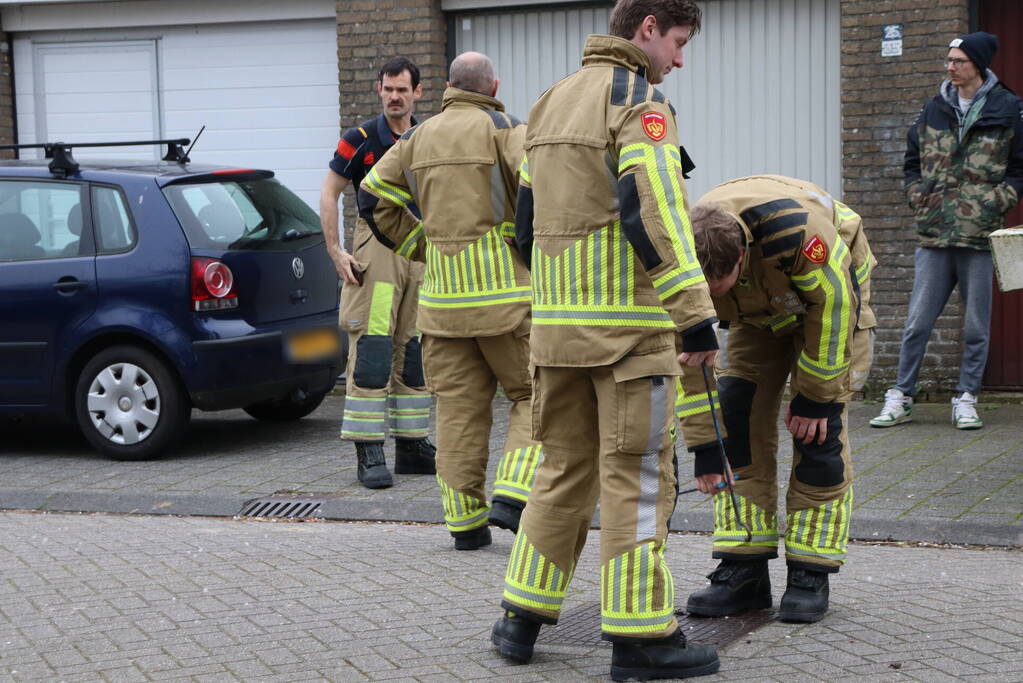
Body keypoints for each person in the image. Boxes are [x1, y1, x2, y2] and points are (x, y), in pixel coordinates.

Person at [488, 2, 722, 680]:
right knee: (638, 479)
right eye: (677, 42)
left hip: (554, 337)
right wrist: (694, 315)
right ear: (647, 27)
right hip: (629, 340)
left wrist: (560, 300)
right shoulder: (639, 102)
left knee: (560, 472)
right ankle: (641, 638)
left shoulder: (549, 101)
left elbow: (523, 226)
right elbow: (655, 210)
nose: (679, 59)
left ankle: (520, 618)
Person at [357, 52, 542, 550]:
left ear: (447, 87)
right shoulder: (507, 129)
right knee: (536, 396)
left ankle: (465, 527)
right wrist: (525, 247)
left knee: (458, 413)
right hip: (507, 304)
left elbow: (371, 196)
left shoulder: (416, 138)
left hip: (441, 308)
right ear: (493, 87)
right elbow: (540, 188)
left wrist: (423, 245)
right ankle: (513, 495)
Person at [677, 175, 875, 624]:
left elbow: (835, 307)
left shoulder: (798, 234)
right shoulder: (679, 260)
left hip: (831, 303)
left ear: (740, 258)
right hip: (758, 314)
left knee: (818, 435)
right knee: (735, 419)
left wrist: (817, 398)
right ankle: (743, 568)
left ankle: (810, 571)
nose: (709, 300)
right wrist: (706, 444)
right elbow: (688, 362)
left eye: (718, 289)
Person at [871, 31, 1023, 431]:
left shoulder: (1008, 108)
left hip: (978, 236)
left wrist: (997, 200)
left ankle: (966, 398)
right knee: (917, 325)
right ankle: (901, 396)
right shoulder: (933, 108)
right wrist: (917, 195)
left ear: (978, 64)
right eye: (949, 60)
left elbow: (1019, 168)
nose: (950, 67)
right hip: (934, 235)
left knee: (975, 328)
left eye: (958, 60)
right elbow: (911, 161)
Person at [319, 57, 436, 489]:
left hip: (419, 248)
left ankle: (412, 445)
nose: (394, 97)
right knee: (373, 348)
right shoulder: (361, 139)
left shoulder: (428, 137)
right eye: (388, 89)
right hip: (377, 247)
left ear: (417, 92)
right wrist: (335, 250)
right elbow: (329, 192)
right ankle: (368, 450)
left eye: (402, 89)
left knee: (415, 349)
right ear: (379, 90)